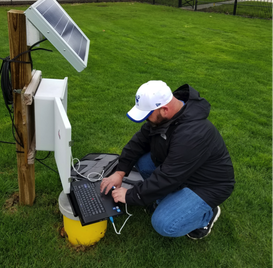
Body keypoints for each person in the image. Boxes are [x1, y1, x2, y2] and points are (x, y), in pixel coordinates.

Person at [100, 81, 235, 240]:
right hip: (183, 171)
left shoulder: (192, 134)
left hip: (207, 185)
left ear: (164, 110)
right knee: (144, 162)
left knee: (163, 223)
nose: (146, 120)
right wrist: (120, 172)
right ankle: (173, 199)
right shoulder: (165, 116)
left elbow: (168, 177)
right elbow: (138, 142)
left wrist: (131, 196)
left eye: (147, 115)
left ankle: (207, 215)